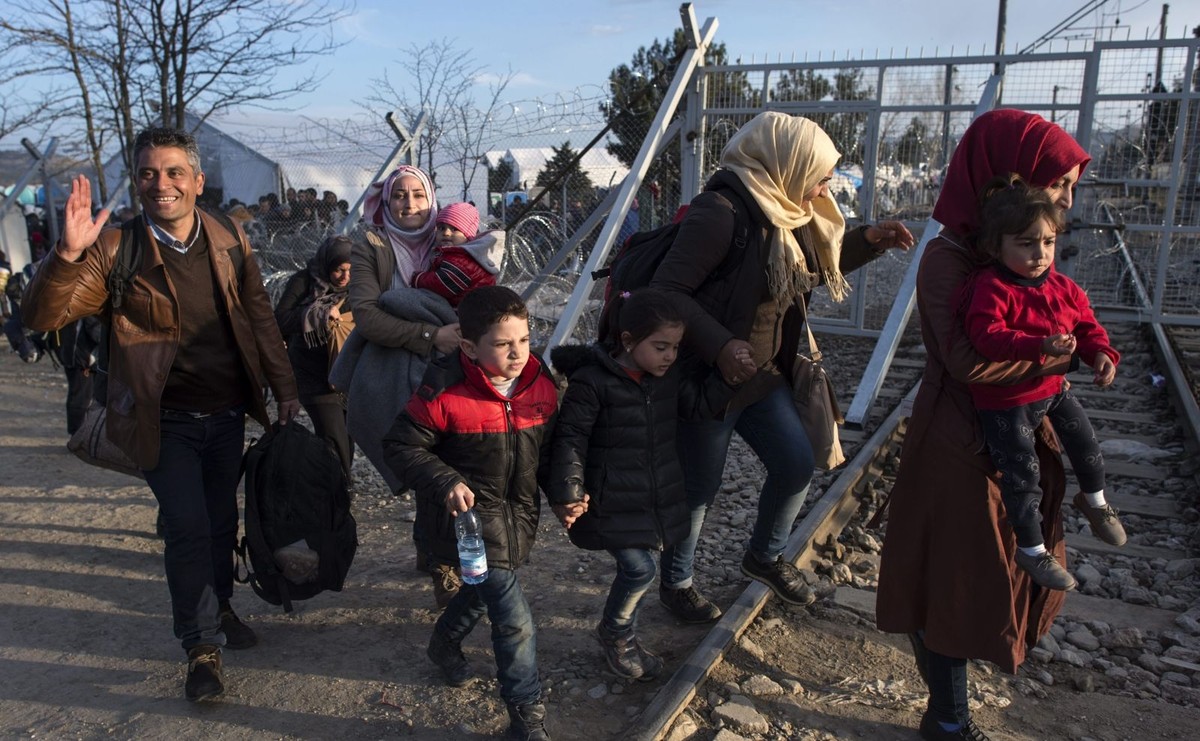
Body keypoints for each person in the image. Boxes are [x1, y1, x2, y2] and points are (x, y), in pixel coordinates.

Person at [21, 127, 300, 703]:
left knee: (222, 523)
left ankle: (219, 607)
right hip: (160, 420)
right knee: (189, 528)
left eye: (174, 172)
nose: (161, 184)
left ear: (198, 182)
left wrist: (284, 387)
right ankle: (200, 648)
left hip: (226, 415)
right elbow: (44, 318)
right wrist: (67, 255)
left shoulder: (227, 236)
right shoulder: (115, 249)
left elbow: (259, 316)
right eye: (148, 173)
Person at [875, 109, 1092, 741]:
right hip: (959, 446)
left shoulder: (1022, 248)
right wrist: (1059, 354)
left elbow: (1065, 317)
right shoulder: (948, 259)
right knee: (954, 584)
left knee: (980, 578)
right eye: (1060, 184)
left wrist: (1075, 346)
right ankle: (949, 721)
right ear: (1013, 176)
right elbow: (968, 361)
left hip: (1010, 433)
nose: (1066, 201)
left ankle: (946, 714)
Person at [649, 110, 914, 623]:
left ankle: (763, 557)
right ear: (785, 164)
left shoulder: (785, 210)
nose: (827, 184)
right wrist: (721, 344)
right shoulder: (719, 212)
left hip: (763, 375)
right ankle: (676, 583)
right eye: (820, 172)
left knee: (795, 462)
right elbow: (665, 293)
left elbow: (804, 271)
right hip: (709, 379)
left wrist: (867, 242)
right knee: (699, 488)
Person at [382, 286, 558, 741]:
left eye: (524, 339)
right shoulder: (442, 392)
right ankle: (527, 715)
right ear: (468, 347)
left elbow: (552, 452)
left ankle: (443, 643)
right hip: (468, 526)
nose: (517, 352)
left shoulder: (541, 384)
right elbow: (400, 444)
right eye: (502, 344)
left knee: (482, 590)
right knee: (514, 618)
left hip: (518, 518)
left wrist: (568, 493)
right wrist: (445, 481)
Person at [546, 288, 735, 680]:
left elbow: (697, 407)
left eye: (676, 348)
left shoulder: (666, 378)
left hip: (651, 496)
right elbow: (571, 438)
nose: (670, 356)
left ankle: (617, 633)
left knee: (640, 569)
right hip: (606, 499)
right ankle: (616, 634)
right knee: (639, 570)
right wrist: (568, 491)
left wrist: (731, 378)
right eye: (661, 346)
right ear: (629, 341)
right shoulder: (592, 382)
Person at [961, 174, 1124, 591]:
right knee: (1021, 472)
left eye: (1048, 243)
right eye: (1027, 243)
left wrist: (1100, 354)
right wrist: (1040, 345)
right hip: (1007, 400)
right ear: (996, 247)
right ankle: (1032, 550)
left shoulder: (1063, 288)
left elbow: (1087, 327)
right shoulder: (991, 288)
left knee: (1086, 443)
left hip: (1049, 391)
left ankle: (1095, 500)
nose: (1040, 254)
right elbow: (986, 336)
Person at [338, 164, 461, 605]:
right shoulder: (370, 244)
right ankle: (442, 559)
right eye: (398, 196)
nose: (409, 205)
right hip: (392, 367)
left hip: (452, 366)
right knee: (422, 460)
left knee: (451, 460)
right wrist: (431, 335)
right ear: (385, 202)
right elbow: (368, 315)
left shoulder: (453, 237)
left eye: (417, 196)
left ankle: (439, 552)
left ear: (432, 199)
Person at [274, 235, 356, 478]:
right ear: (327, 264)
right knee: (334, 438)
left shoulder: (356, 286)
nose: (345, 277)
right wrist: (316, 313)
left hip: (344, 371)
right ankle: (338, 492)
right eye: (339, 270)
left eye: (350, 270)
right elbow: (279, 320)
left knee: (347, 437)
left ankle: (336, 488)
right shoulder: (304, 281)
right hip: (312, 373)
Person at [412, 201, 505, 306]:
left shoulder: (463, 259)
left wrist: (417, 278)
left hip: (469, 311)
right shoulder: (455, 254)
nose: (446, 233)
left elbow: (442, 284)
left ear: (468, 235)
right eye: (441, 228)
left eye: (454, 229)